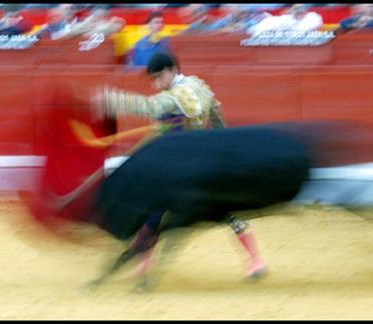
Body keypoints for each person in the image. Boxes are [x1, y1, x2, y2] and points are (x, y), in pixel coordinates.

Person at [92, 52, 265, 279]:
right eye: (152, 79)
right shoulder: (197, 84)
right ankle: (256, 260)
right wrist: (223, 141)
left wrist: (113, 99)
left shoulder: (177, 96)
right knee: (221, 209)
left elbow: (151, 107)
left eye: (159, 77)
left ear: (172, 70)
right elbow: (215, 109)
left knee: (154, 206)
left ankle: (145, 263)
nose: (156, 84)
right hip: (198, 158)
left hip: (183, 164)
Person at [247, 3, 323, 35]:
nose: (299, 10)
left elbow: (301, 30)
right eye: (296, 9)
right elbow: (253, 30)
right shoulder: (284, 19)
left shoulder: (314, 17)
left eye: (302, 8)